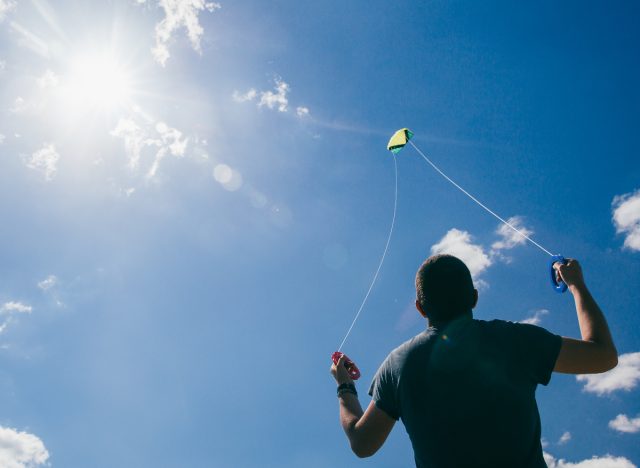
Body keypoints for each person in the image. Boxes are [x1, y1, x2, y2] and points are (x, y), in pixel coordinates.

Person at [330, 254, 617, 468]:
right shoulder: (514, 340)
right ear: (475, 298)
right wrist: (577, 284)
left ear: (420, 308)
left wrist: (345, 385)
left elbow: (362, 444)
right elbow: (602, 356)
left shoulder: (397, 365)